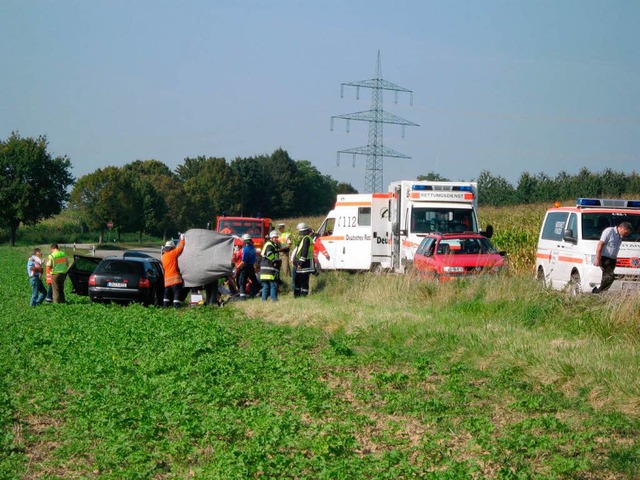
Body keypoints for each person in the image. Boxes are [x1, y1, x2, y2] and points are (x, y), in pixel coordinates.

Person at [592, 222, 633, 293]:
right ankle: (597, 292)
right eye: (626, 232)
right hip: (605, 258)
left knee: (606, 278)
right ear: (621, 228)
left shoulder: (620, 236)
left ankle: (600, 293)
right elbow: (600, 244)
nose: (626, 235)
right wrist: (597, 258)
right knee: (610, 277)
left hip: (612, 260)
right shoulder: (609, 231)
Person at [292, 222, 315, 297]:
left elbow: (304, 252)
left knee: (304, 279)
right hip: (305, 262)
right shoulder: (306, 238)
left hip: (305, 263)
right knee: (299, 279)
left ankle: (303, 294)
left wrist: (300, 263)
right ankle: (298, 294)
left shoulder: (306, 239)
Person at [162, 235, 185, 307]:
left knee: (166, 295)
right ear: (172, 248)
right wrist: (182, 240)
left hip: (167, 280)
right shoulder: (172, 253)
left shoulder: (164, 256)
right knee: (177, 293)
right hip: (175, 279)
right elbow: (180, 248)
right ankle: (176, 306)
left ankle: (165, 306)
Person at [259, 230, 281, 302]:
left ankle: (264, 300)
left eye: (276, 237)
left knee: (265, 285)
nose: (276, 239)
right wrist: (275, 260)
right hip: (269, 269)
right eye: (274, 237)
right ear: (271, 238)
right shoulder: (270, 245)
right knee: (273, 285)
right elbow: (269, 254)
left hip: (263, 269)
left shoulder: (267, 244)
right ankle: (274, 299)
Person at [238, 233, 260, 298]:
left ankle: (242, 297)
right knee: (254, 280)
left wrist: (237, 267)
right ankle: (257, 292)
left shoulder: (246, 249)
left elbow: (243, 261)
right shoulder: (253, 247)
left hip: (245, 267)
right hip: (251, 267)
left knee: (242, 281)